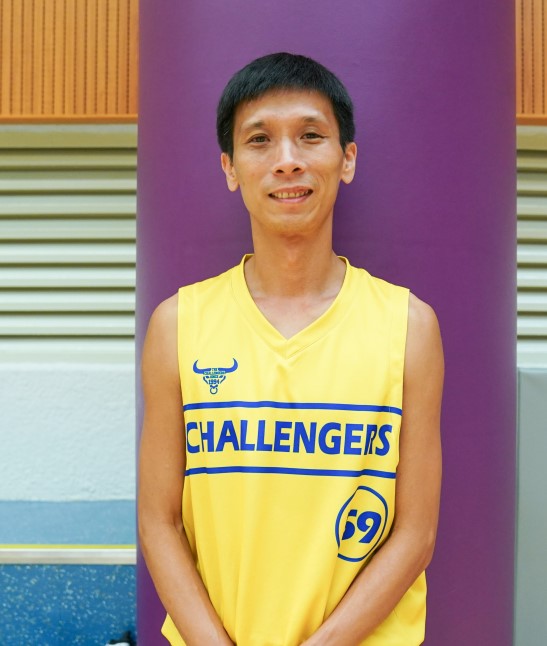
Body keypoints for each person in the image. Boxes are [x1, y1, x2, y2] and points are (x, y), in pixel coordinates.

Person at [138, 52, 444, 646]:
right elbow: (159, 521)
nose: (287, 160)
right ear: (230, 167)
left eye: (310, 136)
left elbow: (415, 533)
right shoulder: (178, 325)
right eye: (259, 140)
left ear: (347, 158)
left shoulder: (409, 327)